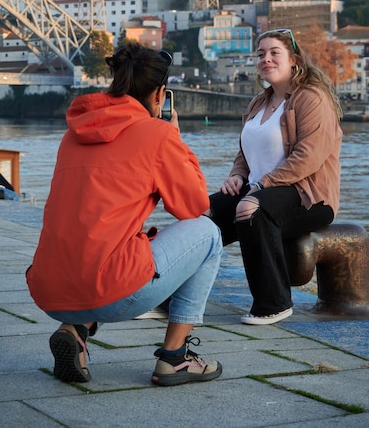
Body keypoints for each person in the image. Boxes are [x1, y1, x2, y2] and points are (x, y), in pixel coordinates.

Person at [26, 42, 223, 386]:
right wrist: (176, 140)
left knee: (102, 241)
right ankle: (175, 358)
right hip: (111, 291)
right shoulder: (157, 134)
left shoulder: (72, 135)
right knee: (209, 234)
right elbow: (193, 208)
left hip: (49, 289)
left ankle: (76, 329)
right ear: (160, 94)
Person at [209, 28, 342, 325]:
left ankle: (274, 303)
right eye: (260, 54)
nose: (265, 59)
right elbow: (245, 151)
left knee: (250, 208)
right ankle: (167, 295)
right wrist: (237, 175)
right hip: (259, 189)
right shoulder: (259, 103)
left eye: (274, 53)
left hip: (307, 196)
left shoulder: (312, 99)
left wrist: (259, 186)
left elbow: (308, 156)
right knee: (203, 214)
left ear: (293, 60)